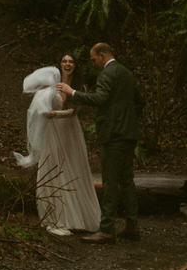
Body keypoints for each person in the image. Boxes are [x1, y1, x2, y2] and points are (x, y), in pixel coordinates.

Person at [57, 41, 139, 243]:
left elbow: (100, 98)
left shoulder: (107, 74)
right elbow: (139, 101)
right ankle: (132, 226)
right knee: (127, 181)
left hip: (113, 135)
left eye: (94, 58)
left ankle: (107, 230)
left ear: (102, 55)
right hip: (128, 134)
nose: (93, 62)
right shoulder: (127, 73)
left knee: (110, 181)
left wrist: (72, 92)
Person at [13, 53, 101, 236]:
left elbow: (75, 111)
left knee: (72, 168)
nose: (67, 64)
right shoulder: (51, 82)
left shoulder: (78, 87)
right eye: (64, 61)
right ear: (60, 64)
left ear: (75, 66)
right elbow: (36, 98)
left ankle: (76, 217)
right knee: (51, 167)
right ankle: (54, 216)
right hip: (51, 131)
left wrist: (56, 114)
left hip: (69, 129)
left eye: (71, 62)